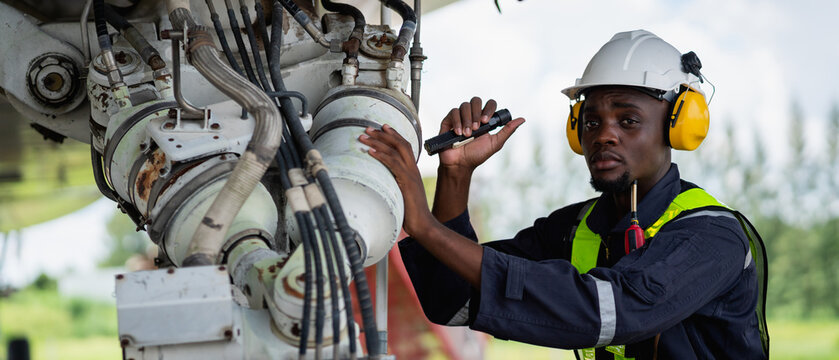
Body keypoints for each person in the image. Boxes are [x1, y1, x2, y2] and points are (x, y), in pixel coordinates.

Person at [358, 30, 768, 359]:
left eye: (628, 120)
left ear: (677, 128)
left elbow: (608, 311)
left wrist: (427, 228)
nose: (604, 134)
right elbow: (451, 302)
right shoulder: (575, 229)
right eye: (591, 121)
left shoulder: (713, 236)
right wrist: (455, 176)